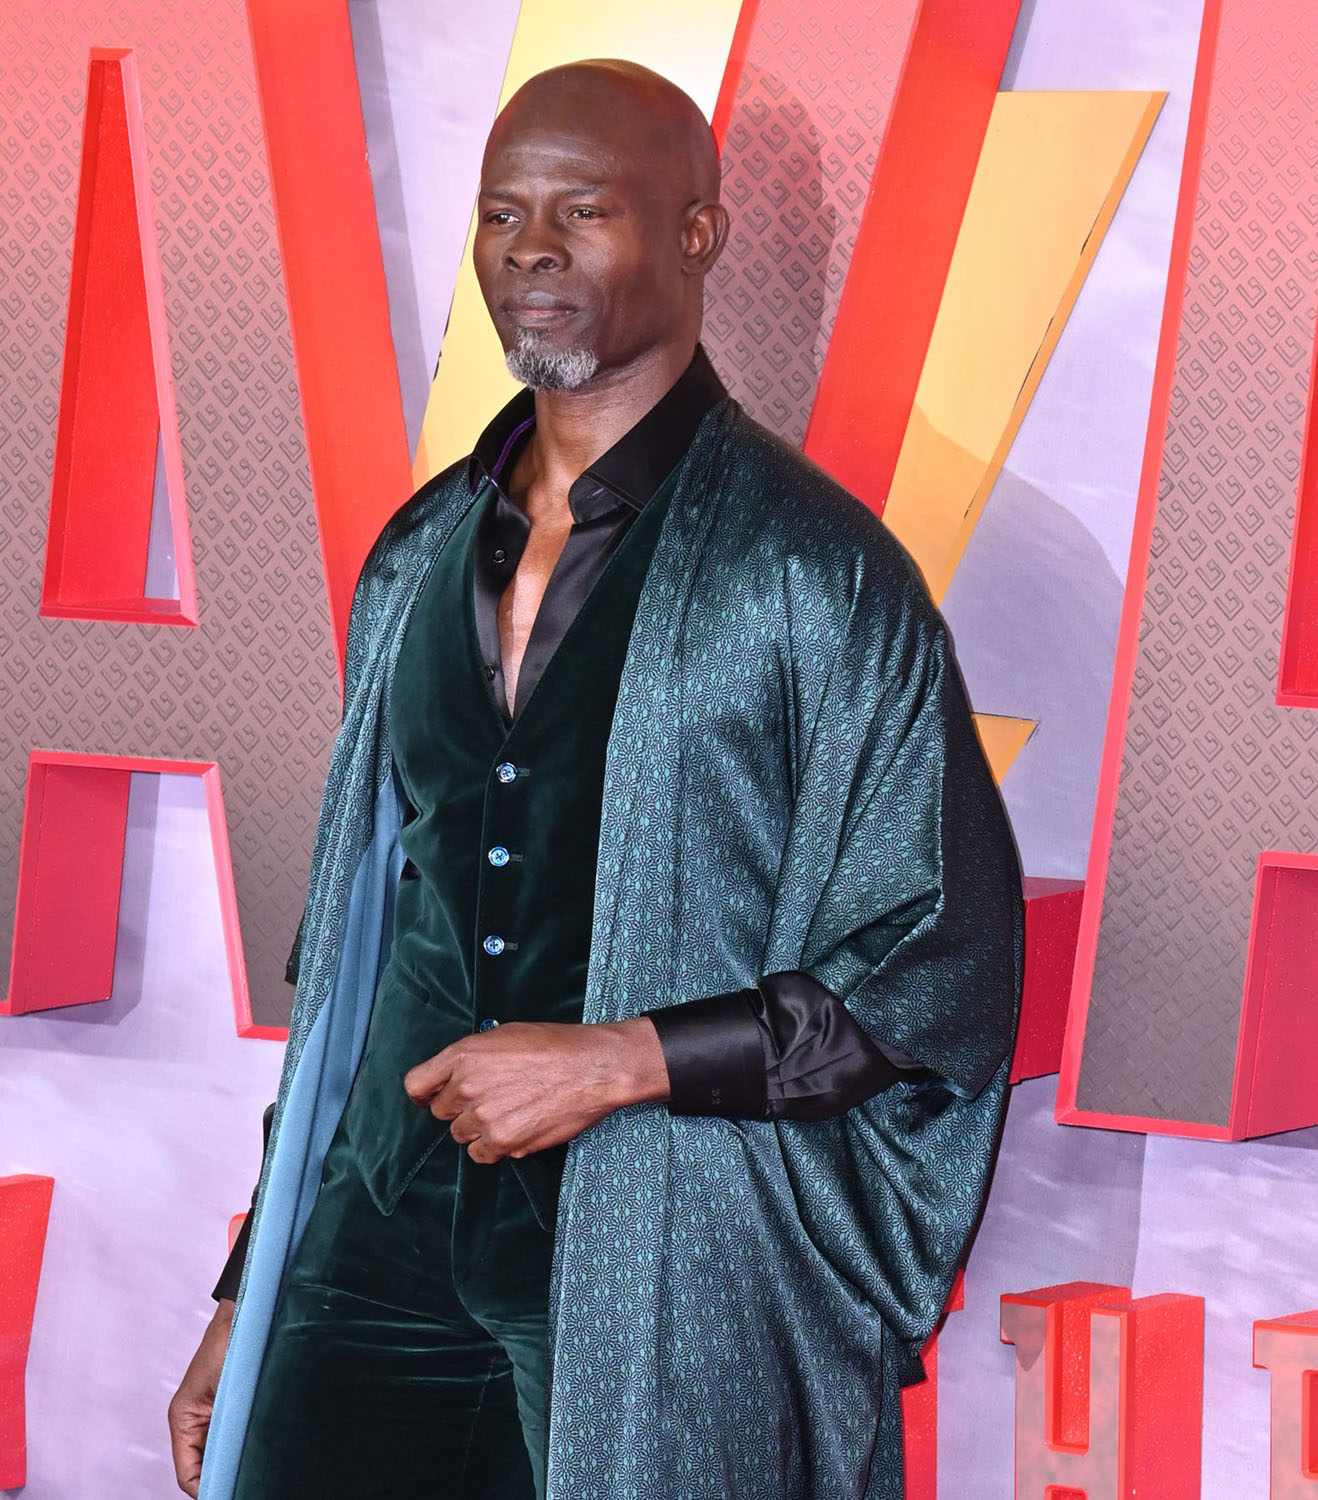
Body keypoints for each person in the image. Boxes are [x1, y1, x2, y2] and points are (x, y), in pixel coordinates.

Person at [169, 57, 1023, 1500]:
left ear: (697, 234)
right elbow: (362, 957)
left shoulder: (811, 572)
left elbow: (935, 959)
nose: (532, 251)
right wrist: (251, 1287)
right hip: (374, 1237)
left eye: (584, 211)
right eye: (503, 215)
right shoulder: (418, 555)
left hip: (658, 1249)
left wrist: (619, 1060)